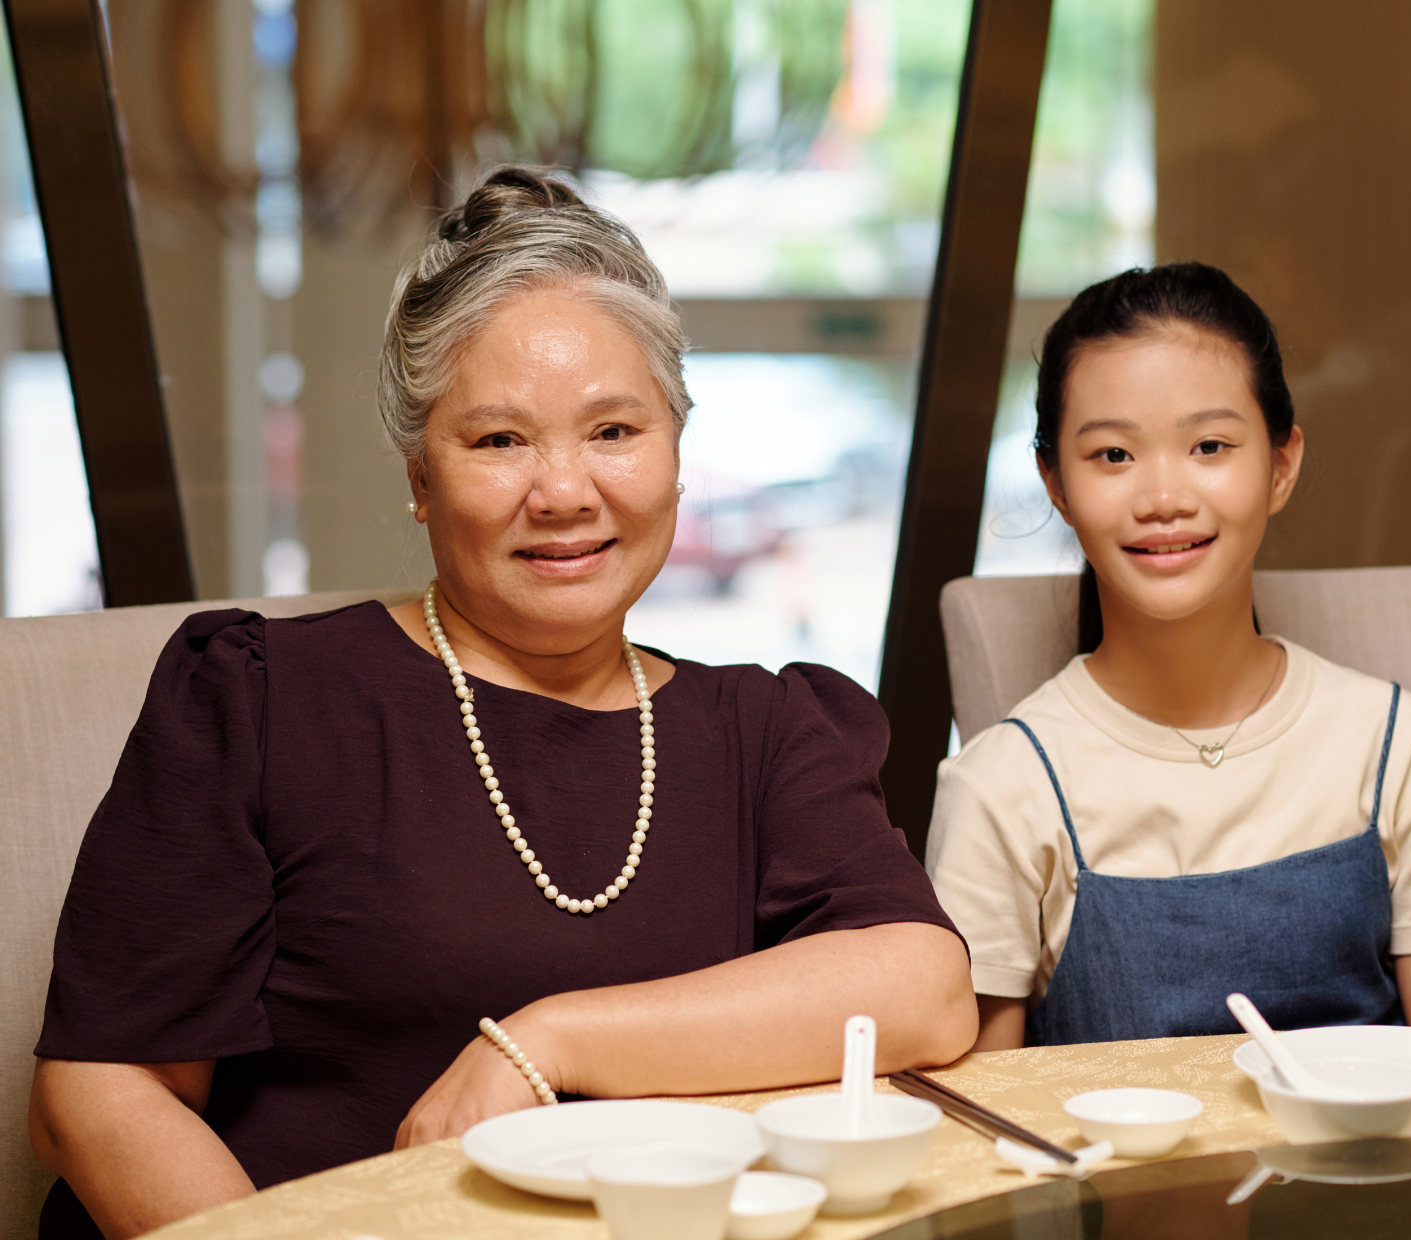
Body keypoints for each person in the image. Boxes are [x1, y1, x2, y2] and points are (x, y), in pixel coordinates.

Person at [29, 166, 977, 1239]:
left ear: (675, 452)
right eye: (498, 440)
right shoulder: (259, 699)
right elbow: (97, 1094)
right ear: (419, 476)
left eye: (614, 431)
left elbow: (922, 985)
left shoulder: (760, 728)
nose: (565, 491)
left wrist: (549, 1038)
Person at [924, 262, 1411, 1051]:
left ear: (1281, 464)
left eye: (1209, 445)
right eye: (1113, 456)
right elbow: (992, 1136)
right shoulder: (1004, 786)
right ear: (1056, 485)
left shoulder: (1394, 746)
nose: (1163, 497)